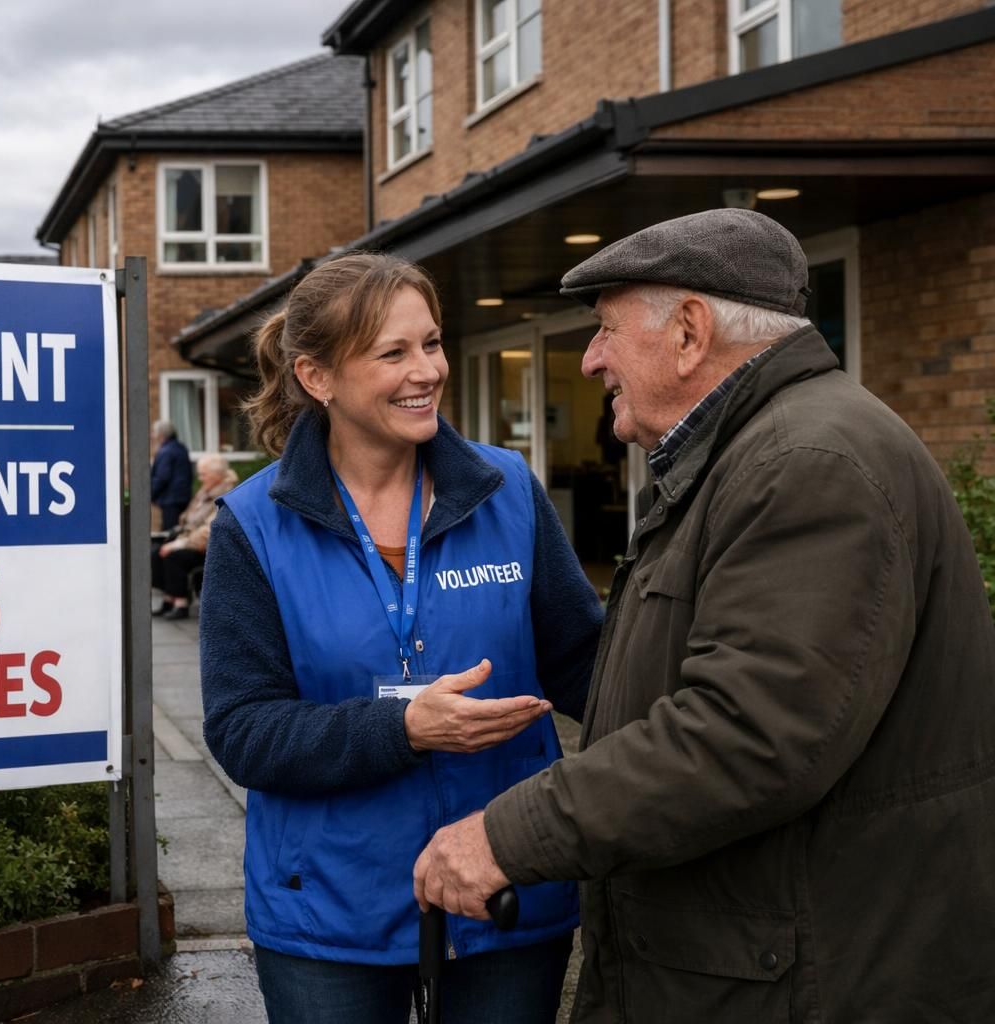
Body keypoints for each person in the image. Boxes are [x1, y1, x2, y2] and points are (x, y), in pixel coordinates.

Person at [413, 209, 995, 1022]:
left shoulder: (805, 465)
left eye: (607, 329)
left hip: (803, 978)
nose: (589, 360)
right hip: (757, 958)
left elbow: (748, 732)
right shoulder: (756, 452)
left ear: (689, 331)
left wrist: (509, 836)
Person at [199, 252, 604, 1023]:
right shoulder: (254, 527)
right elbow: (243, 729)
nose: (427, 371)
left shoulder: (507, 490)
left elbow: (585, 661)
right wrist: (403, 728)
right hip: (329, 914)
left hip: (505, 888)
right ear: (318, 378)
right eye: (393, 353)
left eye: (432, 342)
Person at [152, 452, 237, 620]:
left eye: (203, 474)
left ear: (217, 475)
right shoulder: (205, 491)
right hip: (191, 539)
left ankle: (181, 603)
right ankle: (169, 598)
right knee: (155, 554)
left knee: (174, 557)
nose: (200, 477)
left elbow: (210, 530)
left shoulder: (225, 495)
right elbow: (189, 516)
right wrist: (179, 532)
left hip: (210, 547)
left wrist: (180, 544)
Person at [150, 419, 193, 532]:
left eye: (154, 432)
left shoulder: (166, 451)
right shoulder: (181, 447)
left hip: (171, 500)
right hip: (181, 497)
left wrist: (149, 494)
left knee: (169, 532)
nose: (152, 435)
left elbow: (162, 477)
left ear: (161, 434)